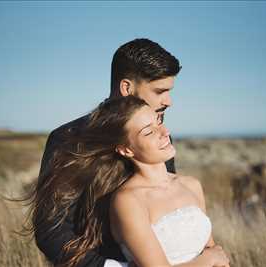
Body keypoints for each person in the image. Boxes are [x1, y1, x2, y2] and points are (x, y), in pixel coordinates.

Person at [29, 96, 230, 267]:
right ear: (126, 150)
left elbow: (211, 249)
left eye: (158, 121)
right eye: (148, 131)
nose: (164, 132)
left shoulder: (191, 184)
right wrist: (208, 260)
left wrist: (214, 257)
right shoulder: (128, 200)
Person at [32, 38, 181, 266]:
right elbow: (51, 231)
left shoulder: (161, 138)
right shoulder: (68, 139)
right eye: (160, 91)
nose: (168, 101)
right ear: (126, 88)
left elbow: (168, 208)